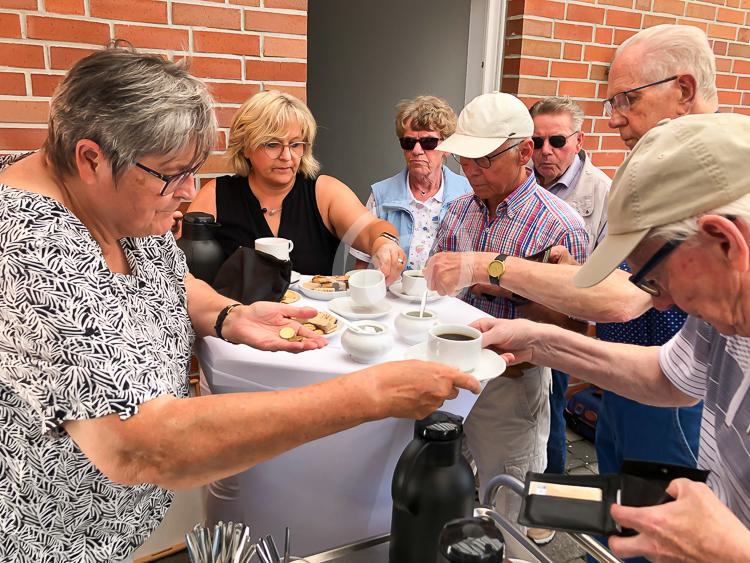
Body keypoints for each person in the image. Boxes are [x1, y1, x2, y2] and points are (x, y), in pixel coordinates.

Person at [0, 46, 481, 562]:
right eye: (172, 174)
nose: (188, 192)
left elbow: (173, 281)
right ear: (91, 158)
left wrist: (229, 315)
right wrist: (366, 397)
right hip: (52, 543)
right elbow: (139, 444)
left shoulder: (117, 200)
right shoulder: (31, 251)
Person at [473, 112, 750, 563]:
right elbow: (668, 378)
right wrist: (541, 341)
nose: (659, 304)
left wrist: (731, 551)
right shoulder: (723, 312)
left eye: (653, 280)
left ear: (724, 242)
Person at [441, 24, 718, 324]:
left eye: (628, 99)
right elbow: (635, 332)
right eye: (612, 103)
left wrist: (491, 269)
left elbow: (626, 304)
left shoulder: (719, 185)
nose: (613, 120)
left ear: (684, 92)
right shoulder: (668, 180)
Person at [425, 91, 589, 535]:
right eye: (464, 161)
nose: (472, 172)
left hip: (511, 384)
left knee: (509, 498)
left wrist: (500, 282)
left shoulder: (561, 225)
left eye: (484, 160)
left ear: (525, 152)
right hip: (449, 372)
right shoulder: (459, 210)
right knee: (445, 484)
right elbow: (436, 290)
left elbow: (577, 329)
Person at [187, 90, 406, 282]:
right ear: (246, 148)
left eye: (295, 144)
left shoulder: (324, 192)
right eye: (272, 144)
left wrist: (384, 244)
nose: (287, 156)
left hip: (314, 324)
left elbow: (370, 230)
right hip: (239, 323)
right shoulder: (216, 194)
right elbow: (187, 266)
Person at [528, 96, 611, 497]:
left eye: (557, 140)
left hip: (562, 321)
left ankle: (549, 494)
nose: (545, 151)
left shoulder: (603, 192)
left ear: (579, 140)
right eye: (537, 141)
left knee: (552, 404)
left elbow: (613, 274)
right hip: (518, 311)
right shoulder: (523, 178)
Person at [350, 95, 471, 271]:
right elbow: (361, 264)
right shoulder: (381, 195)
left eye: (428, 142)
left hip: (447, 297)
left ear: (446, 147)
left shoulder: (468, 194)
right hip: (391, 296)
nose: (416, 150)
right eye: (408, 142)